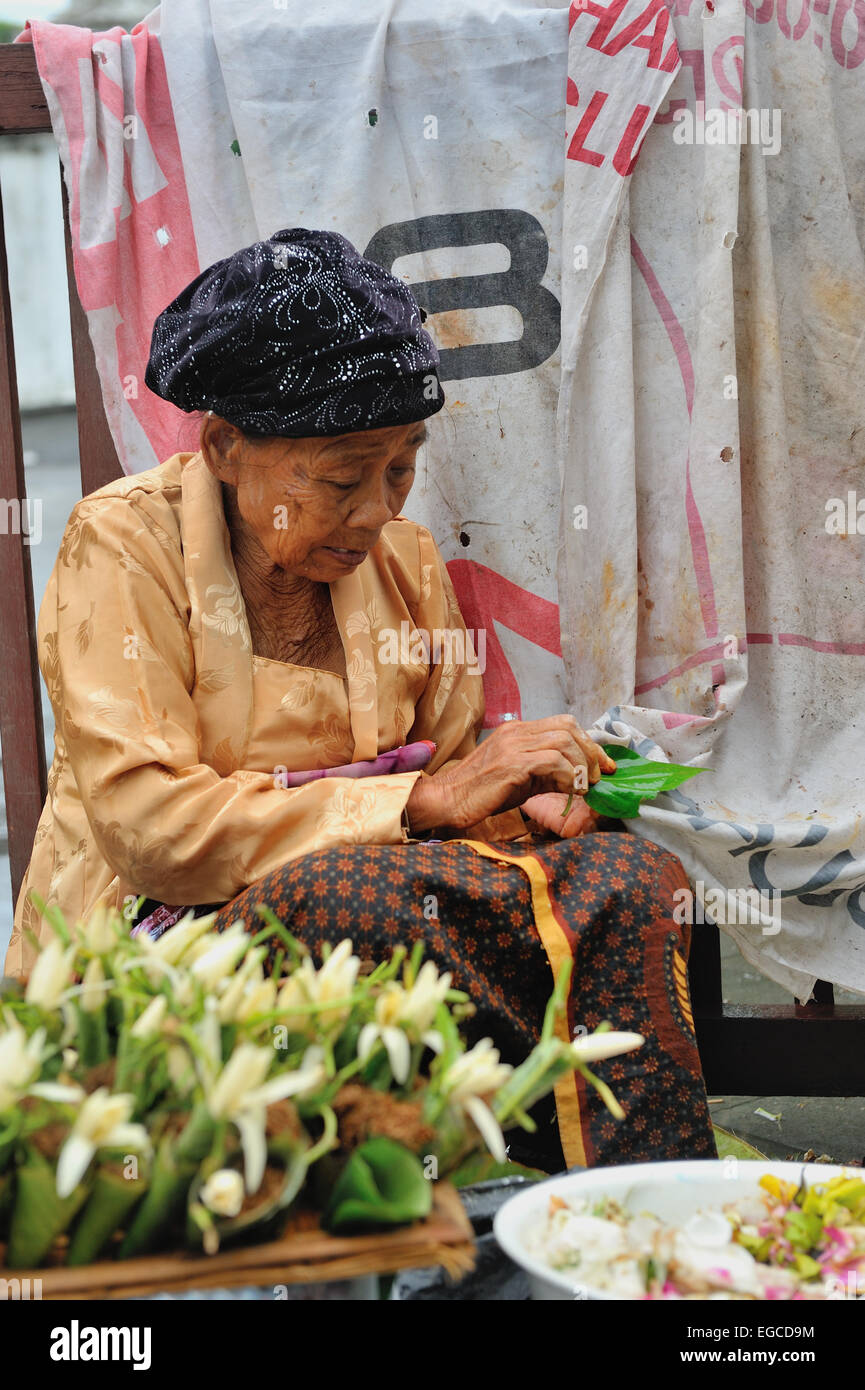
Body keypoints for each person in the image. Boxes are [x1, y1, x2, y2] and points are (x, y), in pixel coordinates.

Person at [5, 228, 715, 1168]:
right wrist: (423, 801)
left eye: (401, 466)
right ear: (223, 446)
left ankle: (632, 1211)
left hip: (371, 898)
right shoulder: (121, 546)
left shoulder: (404, 564)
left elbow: (452, 781)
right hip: (157, 943)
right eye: (343, 477)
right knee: (351, 899)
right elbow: (149, 828)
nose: (381, 509)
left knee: (631, 884)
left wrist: (515, 806)